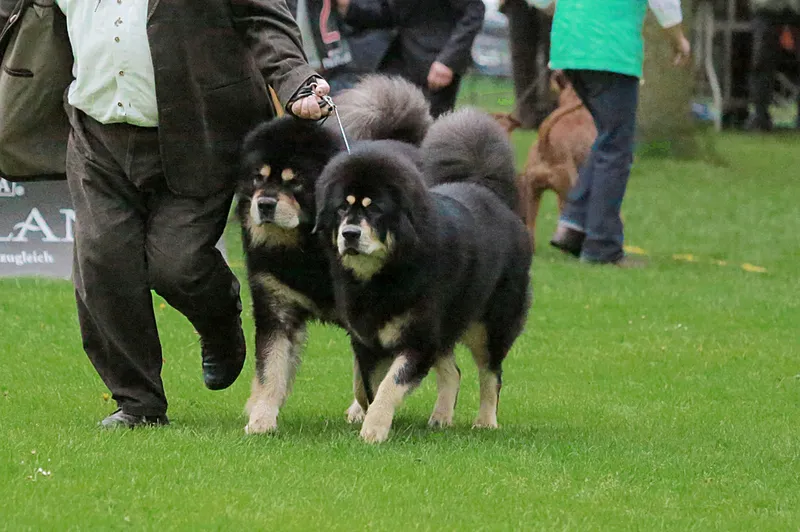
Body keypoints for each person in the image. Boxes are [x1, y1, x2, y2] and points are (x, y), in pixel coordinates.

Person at [0, 0, 331, 428]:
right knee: (103, 260)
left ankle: (219, 322)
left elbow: (262, 13)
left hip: (202, 132)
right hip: (96, 132)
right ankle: (139, 404)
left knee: (178, 265)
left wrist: (296, 79)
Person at [527, 0, 691, 267]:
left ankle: (573, 226)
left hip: (568, 47)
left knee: (607, 139)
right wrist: (678, 38)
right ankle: (602, 246)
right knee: (616, 146)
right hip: (611, 50)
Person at [335, 0, 486, 117]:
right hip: (399, 62)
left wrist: (448, 61)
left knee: (427, 132)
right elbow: (391, 13)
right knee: (380, 122)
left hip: (434, 70)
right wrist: (348, 8)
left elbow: (474, 11)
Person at [747, 0, 800, 131]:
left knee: (762, 61)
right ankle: (760, 116)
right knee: (762, 62)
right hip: (767, 10)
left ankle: (759, 117)